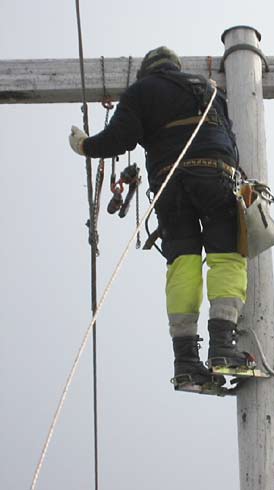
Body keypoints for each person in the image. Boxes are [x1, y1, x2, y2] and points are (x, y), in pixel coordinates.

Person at [68, 46, 251, 393]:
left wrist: (84, 147)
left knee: (182, 264)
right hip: (215, 177)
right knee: (226, 257)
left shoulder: (142, 91)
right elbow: (231, 141)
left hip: (170, 187)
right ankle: (223, 346)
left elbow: (118, 139)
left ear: (148, 71)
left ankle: (185, 361)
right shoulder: (210, 90)